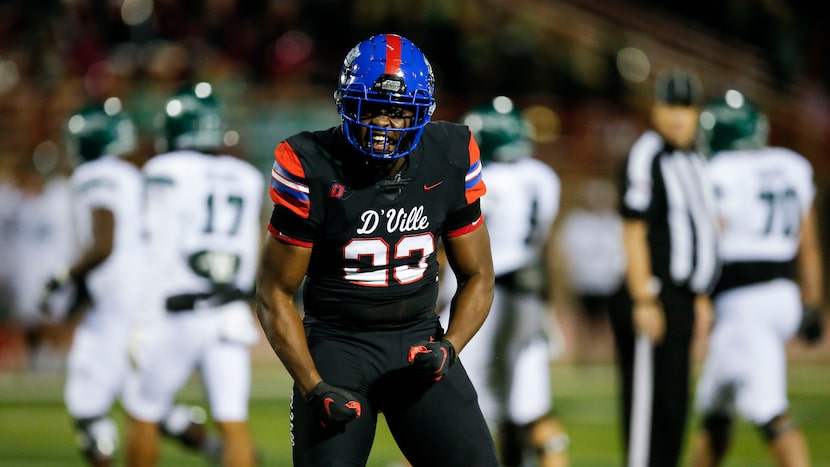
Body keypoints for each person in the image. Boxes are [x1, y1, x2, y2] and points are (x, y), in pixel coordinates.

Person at [255, 33, 499, 466]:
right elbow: (274, 292)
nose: (385, 125)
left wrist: (451, 345)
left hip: (418, 344)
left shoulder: (449, 153)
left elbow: (479, 275)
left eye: (399, 112)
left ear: (421, 113)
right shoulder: (310, 162)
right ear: (346, 104)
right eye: (373, 109)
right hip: (337, 349)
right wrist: (314, 386)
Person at [40, 97, 225, 467]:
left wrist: (61, 278)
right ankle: (213, 448)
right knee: (144, 397)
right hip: (145, 295)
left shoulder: (96, 176)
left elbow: (104, 242)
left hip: (118, 302)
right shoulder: (131, 173)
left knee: (87, 408)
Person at [123, 82, 263, 467]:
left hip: (178, 309)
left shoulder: (165, 170)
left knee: (143, 412)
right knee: (233, 422)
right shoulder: (246, 177)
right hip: (231, 312)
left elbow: (159, 247)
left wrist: (142, 318)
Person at [689, 90, 824, 467]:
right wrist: (813, 303)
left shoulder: (717, 172)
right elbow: (808, 244)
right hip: (784, 292)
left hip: (742, 301)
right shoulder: (790, 165)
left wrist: (695, 293)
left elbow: (708, 237)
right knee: (715, 409)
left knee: (769, 412)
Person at [436, 96, 569, 466]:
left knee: (457, 405)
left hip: (482, 300)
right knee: (528, 408)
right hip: (527, 294)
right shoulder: (543, 178)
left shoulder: (481, 178)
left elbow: (456, 245)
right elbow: (545, 246)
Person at [610, 67, 720, 467]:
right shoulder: (647, 154)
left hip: (683, 296)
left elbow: (703, 230)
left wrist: (701, 293)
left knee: (674, 405)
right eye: (671, 107)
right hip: (653, 292)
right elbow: (633, 230)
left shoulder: (696, 158)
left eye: (686, 108)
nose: (678, 117)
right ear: (656, 110)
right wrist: (643, 297)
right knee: (647, 410)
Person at [557, 178, 626, 363]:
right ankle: (584, 357)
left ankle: (606, 357)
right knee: (584, 322)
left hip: (610, 282)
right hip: (584, 281)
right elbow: (566, 252)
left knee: (609, 323)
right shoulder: (577, 222)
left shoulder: (616, 222)